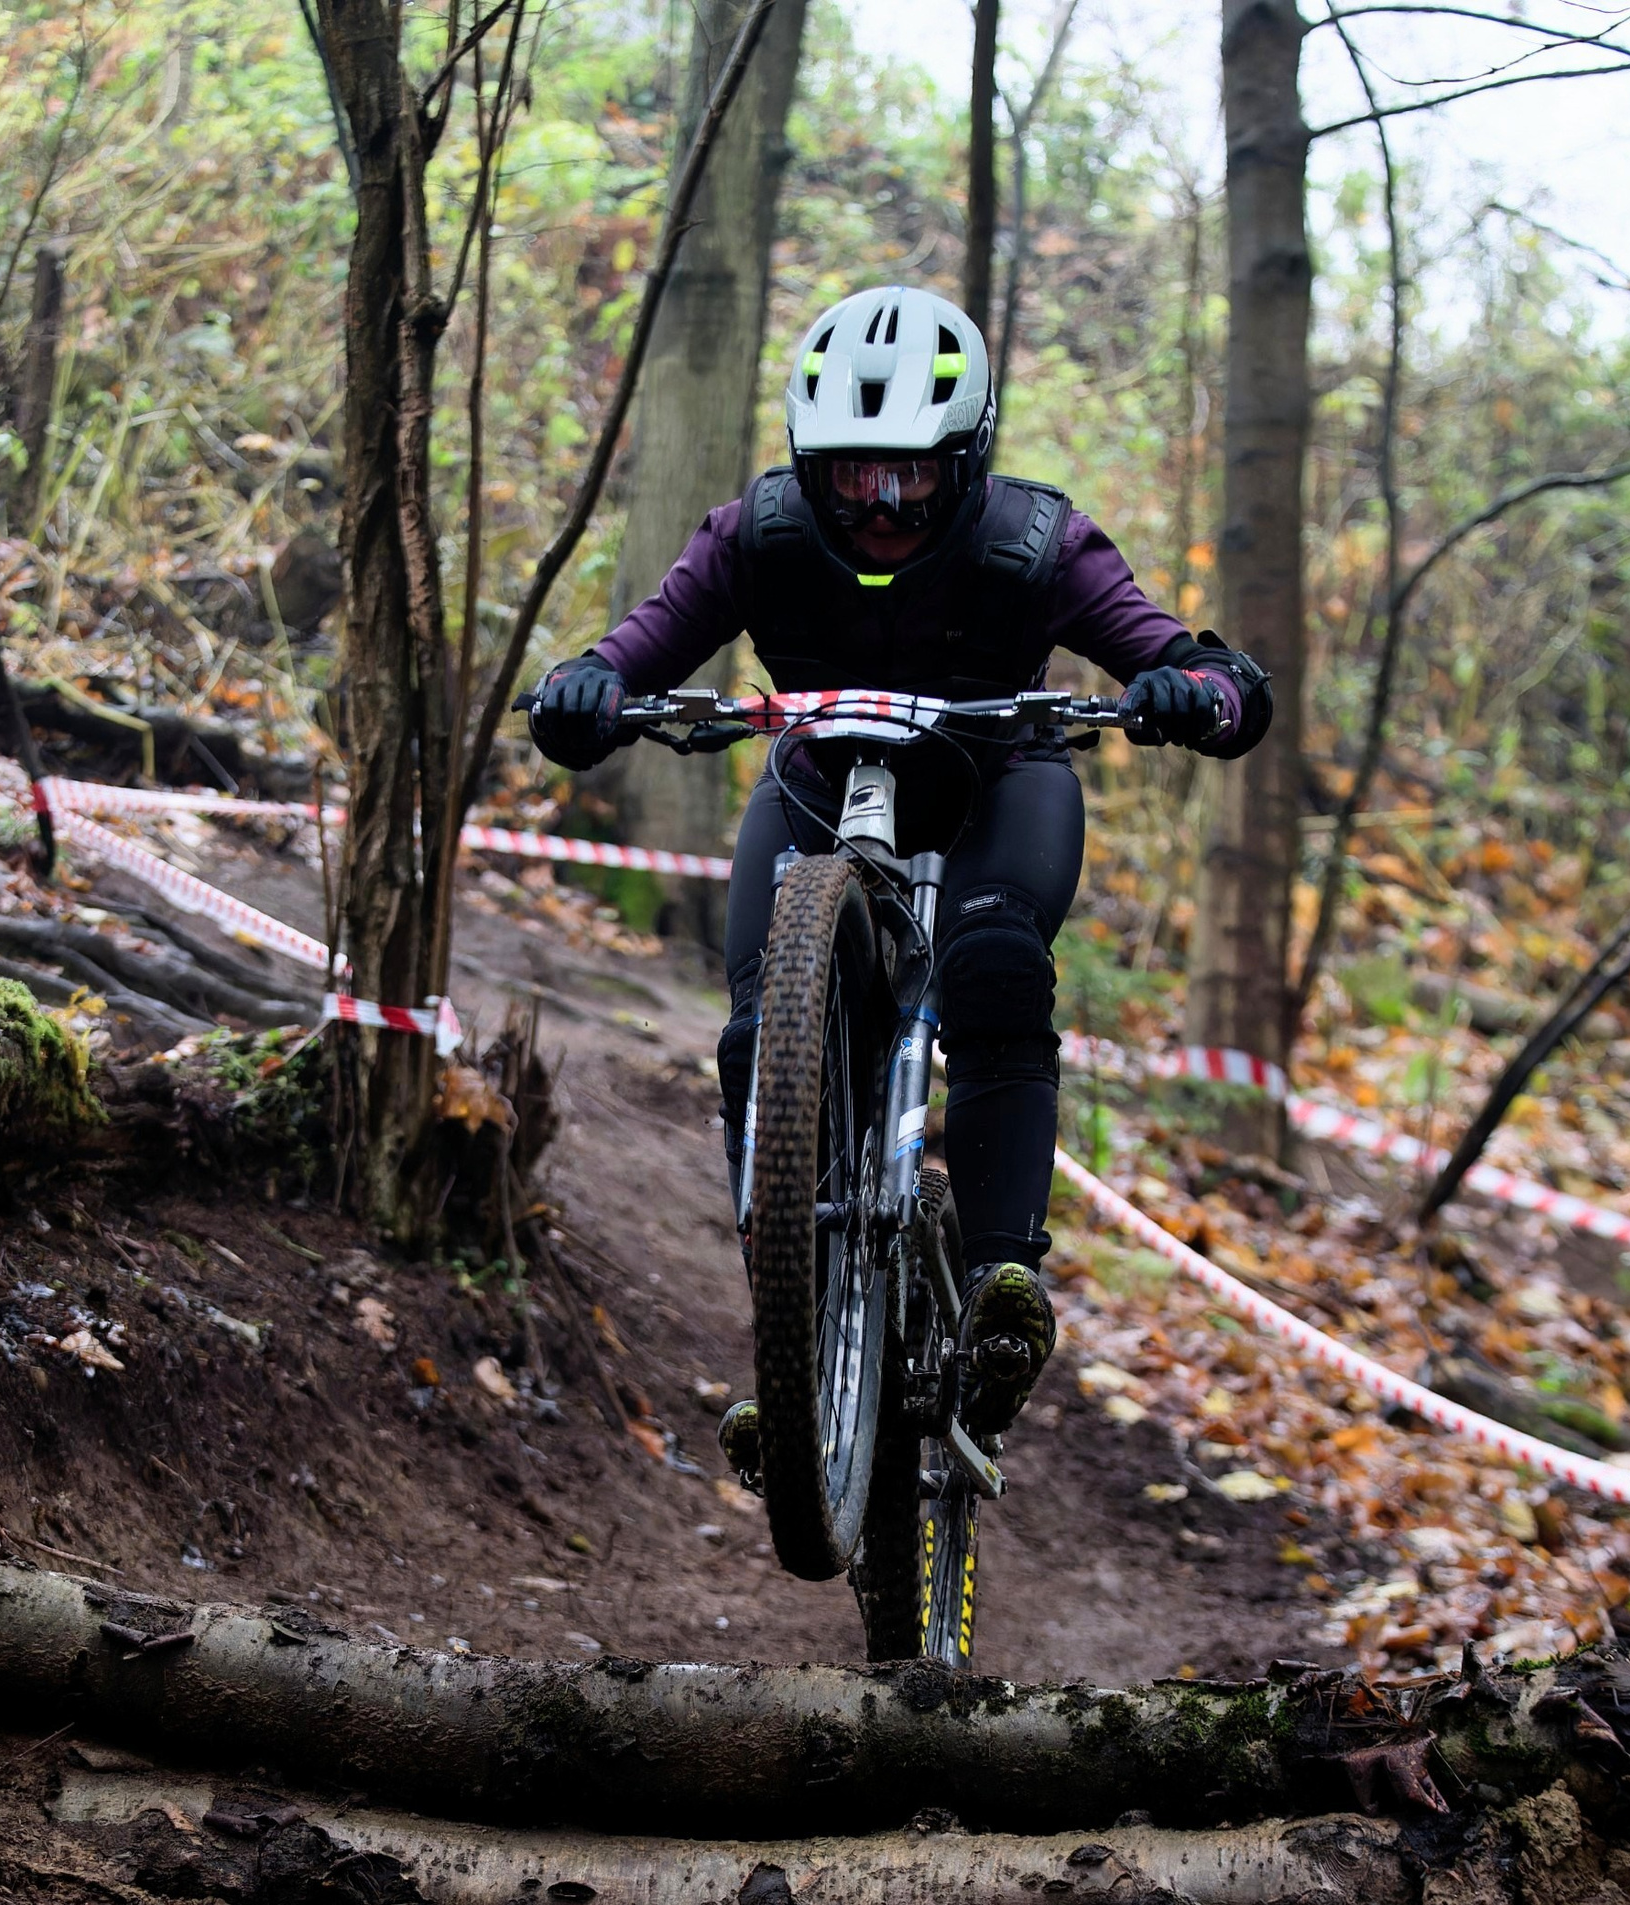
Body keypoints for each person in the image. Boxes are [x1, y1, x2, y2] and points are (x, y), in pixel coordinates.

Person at [527, 285, 1270, 1475]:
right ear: (805, 462)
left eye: (910, 475)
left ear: (965, 462)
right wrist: (585, 690)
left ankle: (996, 1288)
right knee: (759, 1028)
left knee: (992, 966)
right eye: (851, 471)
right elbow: (637, 645)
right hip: (818, 789)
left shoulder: (1035, 542)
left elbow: (1178, 654)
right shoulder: (756, 535)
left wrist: (1201, 690)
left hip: (994, 790)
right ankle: (798, 1341)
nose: (878, 503)